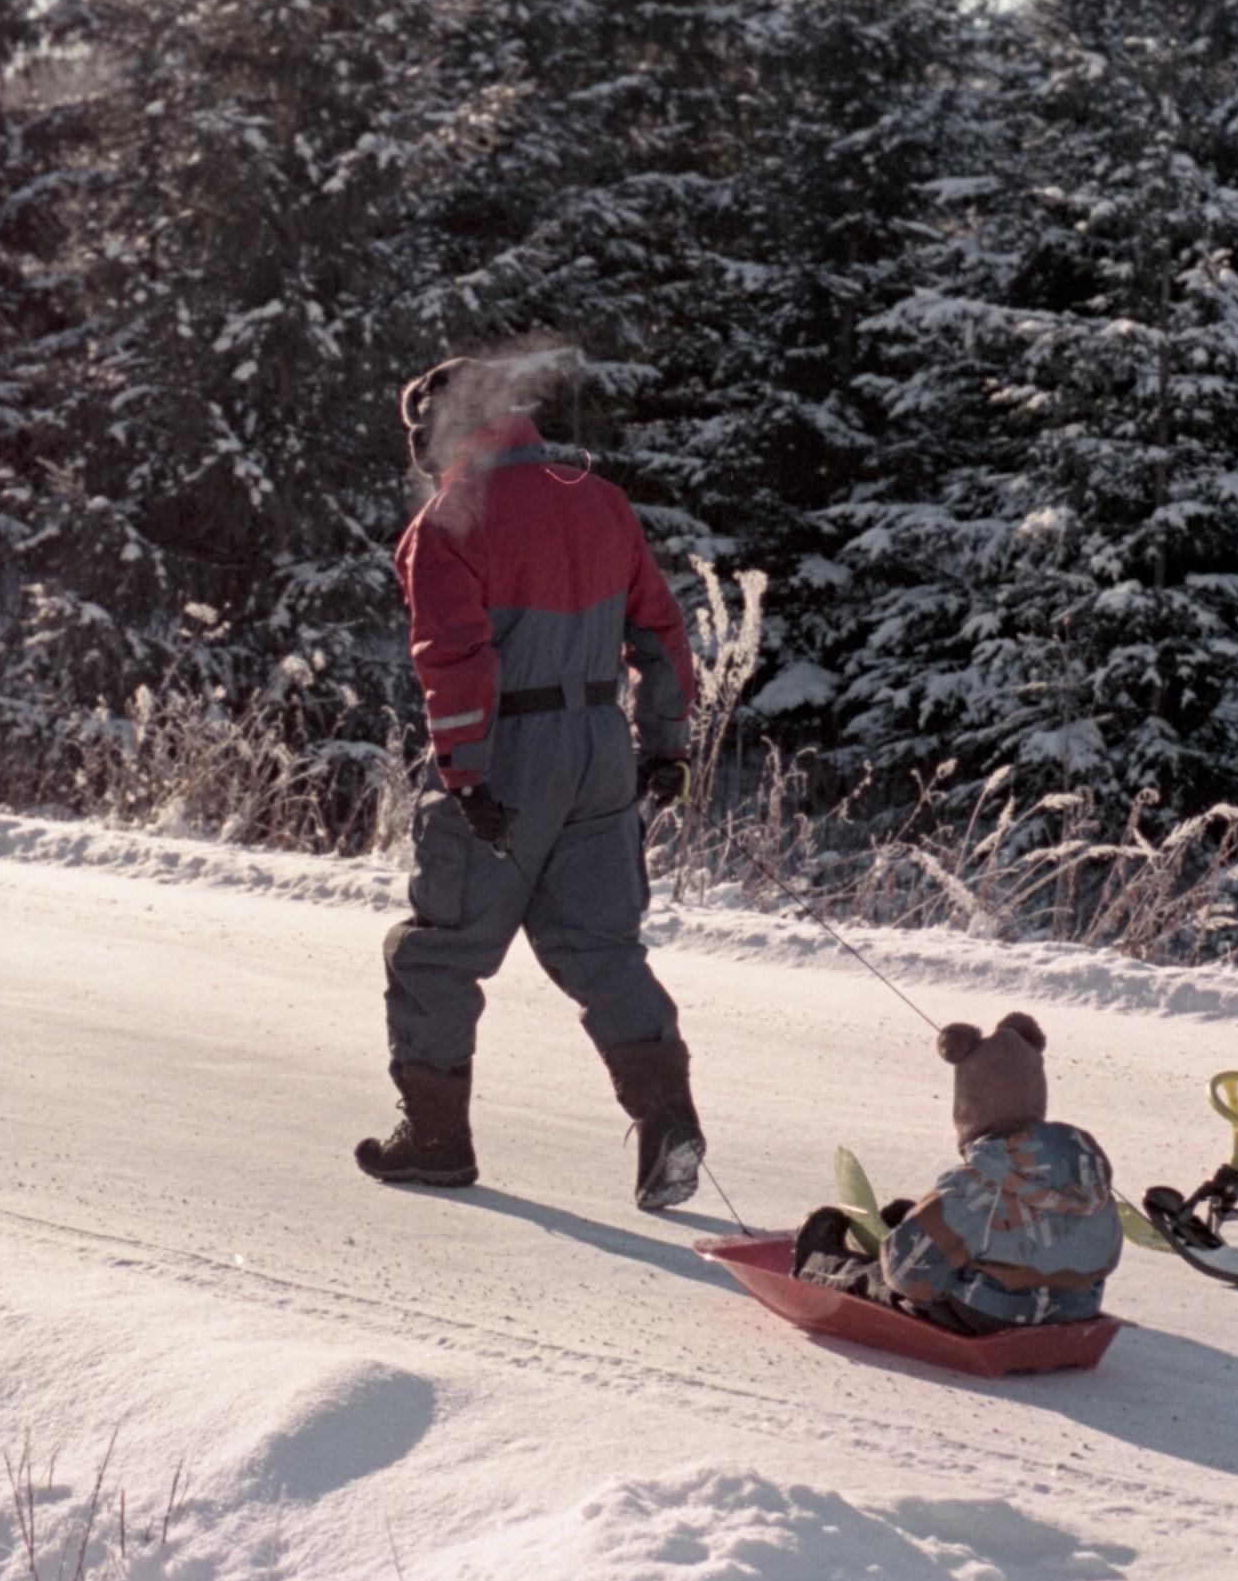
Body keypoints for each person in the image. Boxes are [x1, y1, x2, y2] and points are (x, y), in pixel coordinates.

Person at [354, 354, 707, 1211]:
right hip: (600, 746)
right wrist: (664, 742)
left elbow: (454, 661)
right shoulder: (599, 497)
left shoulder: (447, 521)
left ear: (434, 430)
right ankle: (668, 1120)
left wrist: (465, 774)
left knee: (438, 950)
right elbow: (660, 629)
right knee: (599, 947)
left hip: (509, 749)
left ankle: (436, 1139)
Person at [790, 1013, 1123, 1333]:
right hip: (1075, 1308)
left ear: (969, 1107)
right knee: (965, 1228)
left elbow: (907, 1278)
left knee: (878, 1279)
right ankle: (917, 1226)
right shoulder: (1086, 1175)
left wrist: (902, 1249)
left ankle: (816, 1263)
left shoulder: (972, 1187)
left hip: (985, 1314)